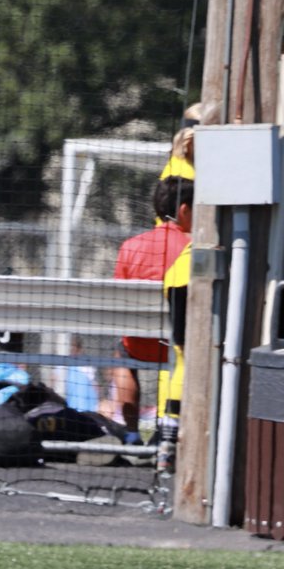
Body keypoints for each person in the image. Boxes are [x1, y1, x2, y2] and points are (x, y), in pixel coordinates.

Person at [111, 177, 192, 439]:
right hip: (179, 346)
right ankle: (169, 429)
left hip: (138, 345)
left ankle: (131, 433)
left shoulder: (130, 247)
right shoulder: (192, 249)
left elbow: (118, 298)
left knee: (121, 355)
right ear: (184, 211)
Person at [158, 177, 194, 476]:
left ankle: (166, 445)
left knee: (180, 355)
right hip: (187, 290)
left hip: (146, 343)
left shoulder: (136, 245)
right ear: (185, 210)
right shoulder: (192, 245)